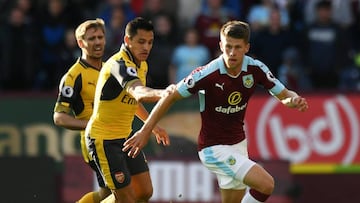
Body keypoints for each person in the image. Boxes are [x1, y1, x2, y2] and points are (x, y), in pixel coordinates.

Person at [123, 20, 309, 203]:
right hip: (212, 148)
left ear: (246, 47)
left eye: (237, 47)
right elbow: (170, 96)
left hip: (238, 144)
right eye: (228, 46)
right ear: (220, 45)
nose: (232, 53)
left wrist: (293, 100)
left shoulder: (256, 69)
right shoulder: (207, 73)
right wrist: (145, 131)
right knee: (266, 184)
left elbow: (284, 94)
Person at [84, 17, 171, 203]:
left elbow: (133, 102)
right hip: (104, 140)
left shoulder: (142, 65)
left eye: (150, 42)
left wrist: (153, 126)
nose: (146, 47)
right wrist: (165, 93)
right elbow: (139, 93)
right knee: (126, 199)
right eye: (141, 42)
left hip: (125, 137)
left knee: (145, 192)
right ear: (127, 40)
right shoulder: (118, 65)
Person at [53, 19, 111, 202]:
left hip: (116, 136)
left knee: (108, 193)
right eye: (91, 38)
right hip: (96, 142)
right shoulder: (73, 76)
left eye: (100, 37)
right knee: (124, 190)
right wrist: (90, 124)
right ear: (80, 43)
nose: (97, 42)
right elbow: (59, 117)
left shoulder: (110, 69)